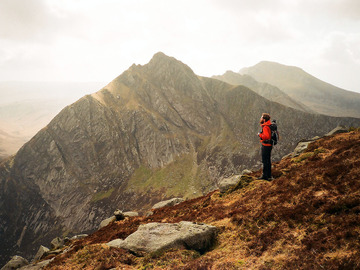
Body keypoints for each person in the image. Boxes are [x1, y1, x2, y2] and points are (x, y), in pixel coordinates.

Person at [257, 113, 273, 180]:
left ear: (264, 119)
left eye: (261, 118)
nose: (260, 119)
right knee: (268, 160)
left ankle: (265, 176)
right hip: (269, 145)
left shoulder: (265, 127)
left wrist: (259, 135)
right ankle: (268, 175)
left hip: (266, 145)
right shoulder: (269, 125)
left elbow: (266, 137)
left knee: (265, 160)